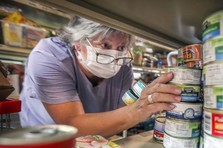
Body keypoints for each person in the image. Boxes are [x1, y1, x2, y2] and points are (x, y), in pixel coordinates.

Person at [19, 16, 181, 137]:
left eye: (122, 47)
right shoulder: (49, 56)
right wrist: (138, 110)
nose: (114, 54)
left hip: (94, 145)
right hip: (44, 145)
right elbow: (72, 125)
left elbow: (119, 114)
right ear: (78, 43)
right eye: (105, 45)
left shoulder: (123, 66)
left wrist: (148, 102)